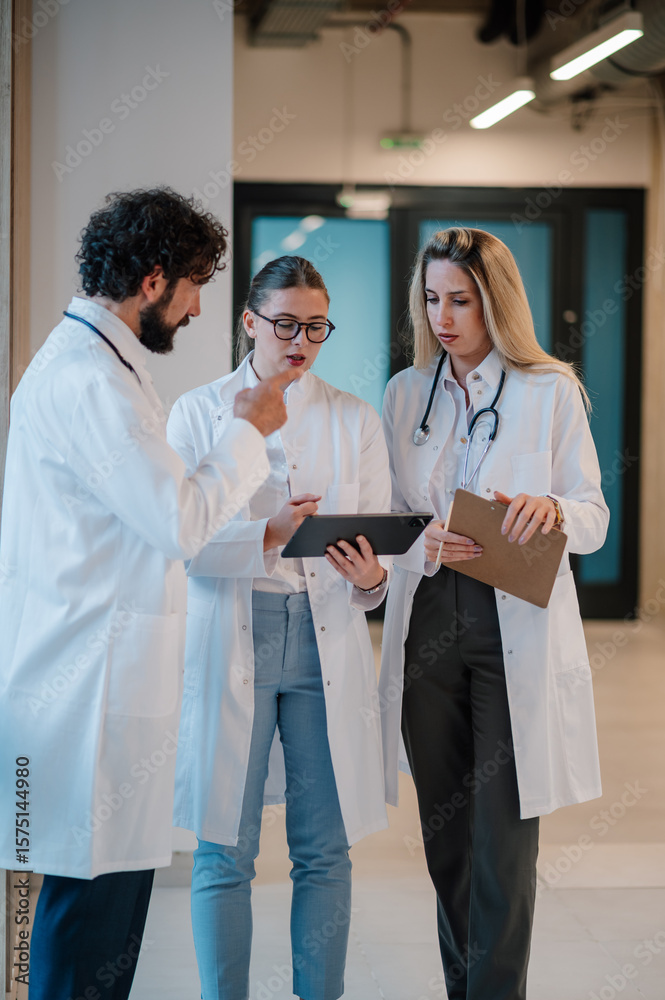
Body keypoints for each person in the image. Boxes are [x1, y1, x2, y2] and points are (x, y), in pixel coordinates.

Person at [0, 187, 293, 1000]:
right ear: (155, 279)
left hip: (100, 687)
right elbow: (179, 522)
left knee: (102, 919)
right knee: (84, 926)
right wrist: (247, 430)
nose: (199, 307)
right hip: (83, 695)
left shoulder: (97, 366)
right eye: (197, 284)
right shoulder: (90, 381)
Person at [379, 227, 609, 1000]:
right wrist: (420, 540)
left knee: (500, 843)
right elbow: (388, 520)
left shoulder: (549, 390)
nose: (443, 317)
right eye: (432, 299)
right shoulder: (406, 393)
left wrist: (548, 508)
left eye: (462, 301)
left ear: (495, 302)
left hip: (513, 618)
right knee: (445, 840)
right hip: (429, 623)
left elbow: (592, 514)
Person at [166, 255, 391, 1000]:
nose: (300, 340)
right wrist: (270, 530)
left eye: (315, 326)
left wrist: (372, 579)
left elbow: (387, 550)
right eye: (285, 323)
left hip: (324, 633)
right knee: (222, 851)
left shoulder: (354, 417)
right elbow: (181, 547)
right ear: (249, 321)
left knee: (323, 850)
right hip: (236, 631)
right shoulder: (199, 413)